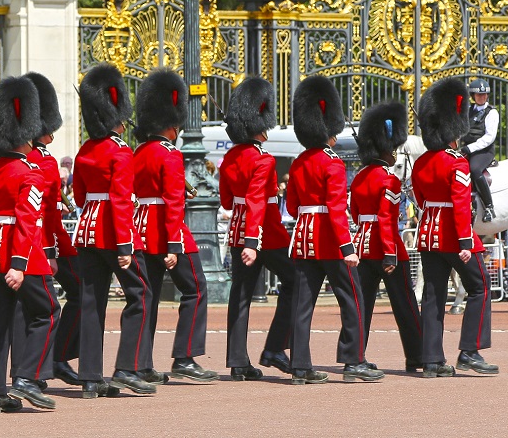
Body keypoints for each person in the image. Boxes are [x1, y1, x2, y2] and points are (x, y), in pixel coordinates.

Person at [286, 75, 382, 384]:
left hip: (303, 238)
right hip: (330, 240)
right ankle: (353, 360)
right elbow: (336, 209)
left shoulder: (298, 162)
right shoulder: (333, 163)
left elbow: (290, 207)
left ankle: (300, 367)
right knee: (352, 298)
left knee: (302, 305)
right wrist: (348, 247)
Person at [0, 76, 60, 413]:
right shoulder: (31, 173)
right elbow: (28, 220)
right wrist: (19, 263)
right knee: (49, 311)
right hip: (21, 255)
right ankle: (28, 375)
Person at [74, 62, 155, 397]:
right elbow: (122, 200)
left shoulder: (84, 151)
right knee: (141, 294)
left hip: (87, 231)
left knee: (91, 301)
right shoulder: (120, 151)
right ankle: (127, 367)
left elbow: (79, 196)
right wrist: (125, 246)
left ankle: (90, 377)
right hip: (112, 232)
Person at [132, 68, 216, 384]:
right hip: (168, 230)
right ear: (173, 123)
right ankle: (185, 356)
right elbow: (172, 202)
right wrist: (173, 244)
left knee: (149, 296)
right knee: (196, 288)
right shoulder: (169, 154)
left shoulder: (139, 152)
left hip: (143, 228)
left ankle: (141, 363)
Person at [412, 77, 497, 378]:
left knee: (433, 295)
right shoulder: (457, 164)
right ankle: (470, 351)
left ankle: (432, 359)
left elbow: (420, 200)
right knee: (481, 286)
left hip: (427, 235)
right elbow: (460, 205)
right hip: (453, 235)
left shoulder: (421, 163)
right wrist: (464, 242)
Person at [219, 77, 295, 381]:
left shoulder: (229, 157)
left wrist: (246, 238)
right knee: (295, 282)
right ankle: (275, 347)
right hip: (264, 232)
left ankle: (238, 361)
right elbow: (256, 200)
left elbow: (228, 200)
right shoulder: (263, 159)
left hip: (238, 230)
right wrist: (254, 240)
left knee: (241, 295)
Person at [11, 72, 82, 387]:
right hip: (41, 243)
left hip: (18, 243)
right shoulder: (46, 163)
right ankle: (52, 359)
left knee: (22, 306)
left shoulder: (17, 159)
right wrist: (53, 251)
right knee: (73, 295)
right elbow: (46, 214)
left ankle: (31, 366)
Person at [350, 101, 423, 373]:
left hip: (363, 247)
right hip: (387, 248)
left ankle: (355, 357)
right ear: (387, 150)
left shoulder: (359, 177)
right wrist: (390, 252)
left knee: (362, 307)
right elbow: (386, 219)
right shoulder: (389, 179)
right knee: (405, 305)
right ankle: (417, 355)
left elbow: (356, 214)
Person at [459, 78, 499, 222]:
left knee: (474, 169)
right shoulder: (468, 111)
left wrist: (469, 148)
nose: (482, 97)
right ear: (473, 96)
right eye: (478, 95)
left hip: (483, 151)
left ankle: (489, 206)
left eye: (484, 95)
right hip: (466, 148)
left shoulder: (492, 113)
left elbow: (489, 137)